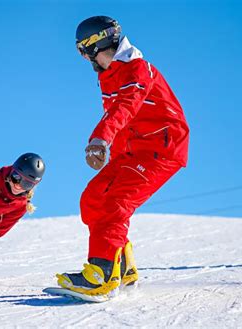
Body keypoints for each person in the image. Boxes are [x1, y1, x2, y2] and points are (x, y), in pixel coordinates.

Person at [56, 16, 190, 297]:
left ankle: (101, 275)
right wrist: (110, 149)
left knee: (116, 203)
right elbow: (122, 118)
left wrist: (100, 139)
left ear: (93, 45)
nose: (83, 58)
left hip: (160, 149)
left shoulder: (138, 69)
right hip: (132, 150)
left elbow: (126, 107)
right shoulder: (109, 75)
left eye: (82, 50)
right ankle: (123, 266)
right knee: (93, 198)